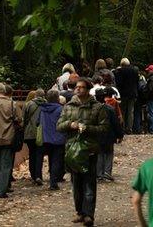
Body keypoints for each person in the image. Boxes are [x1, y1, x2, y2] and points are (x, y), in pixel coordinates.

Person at [57, 78, 109, 226]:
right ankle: (79, 212)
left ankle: (88, 214)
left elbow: (104, 128)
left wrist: (87, 128)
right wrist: (70, 124)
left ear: (87, 89)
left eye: (81, 87)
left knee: (89, 183)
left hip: (90, 150)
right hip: (73, 150)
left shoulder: (98, 108)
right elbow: (59, 126)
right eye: (76, 87)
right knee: (76, 184)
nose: (78, 89)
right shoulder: (68, 107)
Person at [38, 89, 67, 190]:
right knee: (56, 160)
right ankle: (54, 181)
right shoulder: (61, 109)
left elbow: (38, 122)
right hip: (59, 137)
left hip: (46, 137)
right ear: (57, 98)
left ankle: (52, 177)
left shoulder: (42, 109)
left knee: (51, 159)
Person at [94, 87, 124, 182]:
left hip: (97, 134)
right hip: (108, 135)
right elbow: (115, 123)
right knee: (108, 153)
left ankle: (99, 173)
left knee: (99, 153)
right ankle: (107, 172)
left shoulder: (93, 109)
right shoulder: (110, 109)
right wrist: (120, 135)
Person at [22, 89, 46, 185]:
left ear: (35, 95)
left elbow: (24, 119)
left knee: (32, 154)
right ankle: (38, 175)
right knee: (39, 154)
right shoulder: (46, 104)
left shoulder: (28, 104)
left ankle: (33, 175)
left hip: (30, 132)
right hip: (42, 132)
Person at [114, 58, 139, 134]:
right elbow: (137, 82)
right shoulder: (135, 71)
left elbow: (118, 83)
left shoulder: (120, 71)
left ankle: (122, 127)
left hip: (123, 94)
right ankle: (130, 128)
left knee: (122, 111)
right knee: (131, 111)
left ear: (121, 64)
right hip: (133, 94)